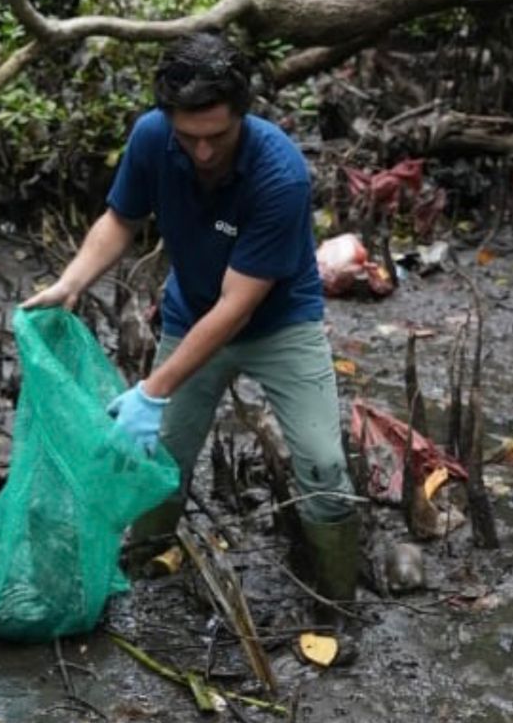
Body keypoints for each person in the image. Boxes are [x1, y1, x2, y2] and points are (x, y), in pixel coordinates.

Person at [22, 33, 360, 606]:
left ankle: (338, 597)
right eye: (189, 137)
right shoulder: (153, 137)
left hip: (280, 323)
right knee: (159, 458)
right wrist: (72, 281)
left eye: (217, 136)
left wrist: (152, 391)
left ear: (242, 117)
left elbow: (237, 306)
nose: (202, 152)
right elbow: (120, 220)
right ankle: (150, 564)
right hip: (190, 311)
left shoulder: (280, 175)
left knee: (324, 465)